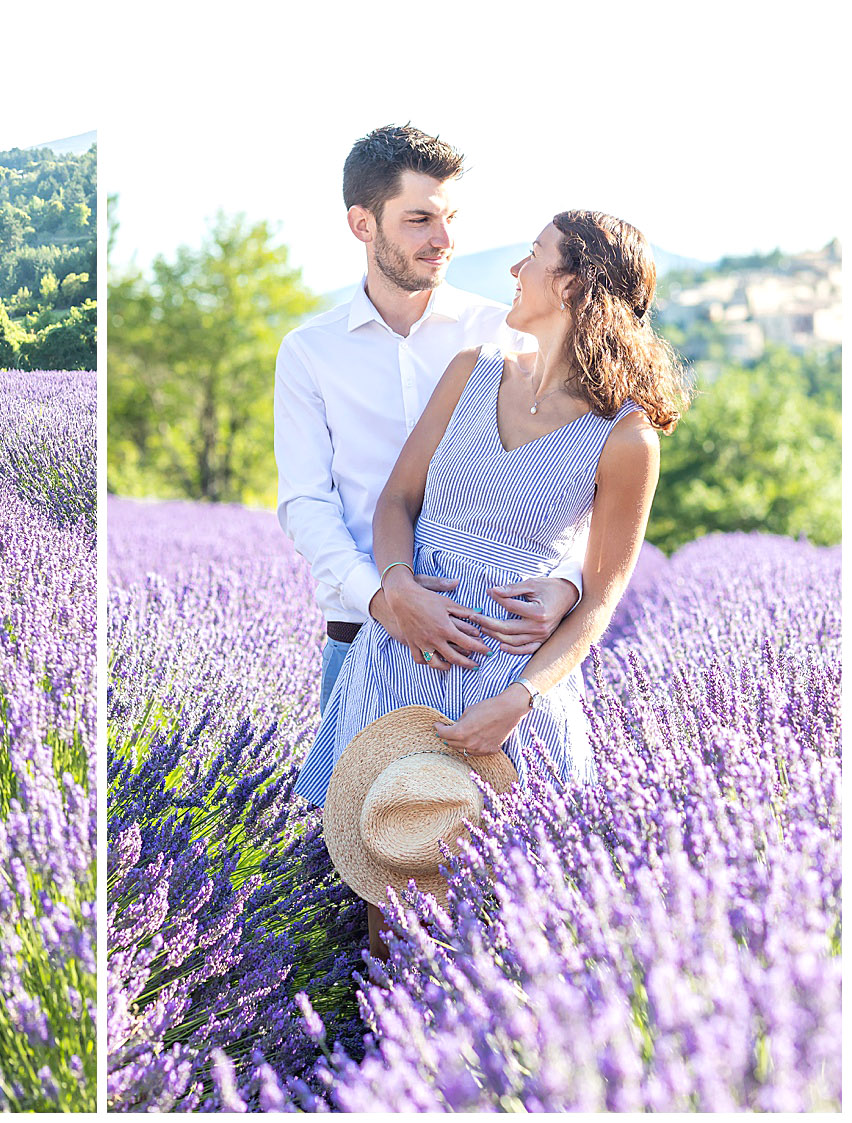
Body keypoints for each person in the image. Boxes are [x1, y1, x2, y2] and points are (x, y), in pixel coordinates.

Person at [296, 209, 690, 957]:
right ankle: (380, 1058)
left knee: (511, 924)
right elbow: (396, 505)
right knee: (392, 880)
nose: (514, 271)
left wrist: (519, 699)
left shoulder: (626, 437)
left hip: (511, 687)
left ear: (572, 284)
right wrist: (397, 587)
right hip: (403, 654)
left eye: (533, 257)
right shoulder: (473, 370)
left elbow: (602, 597)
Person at [275, 125, 586, 727]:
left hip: (499, 643)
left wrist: (566, 586)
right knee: (364, 819)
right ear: (362, 224)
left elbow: (581, 478)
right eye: (419, 220)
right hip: (362, 634)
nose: (443, 240)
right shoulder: (310, 352)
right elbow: (306, 504)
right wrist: (387, 599)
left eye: (449, 219)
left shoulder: (510, 331)